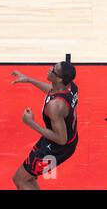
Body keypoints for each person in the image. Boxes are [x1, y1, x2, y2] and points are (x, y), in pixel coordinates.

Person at [11, 61, 78, 190]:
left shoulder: (55, 106)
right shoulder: (70, 86)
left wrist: (31, 123)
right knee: (28, 178)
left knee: (20, 180)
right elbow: (52, 90)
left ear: (59, 78)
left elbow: (61, 139)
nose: (49, 68)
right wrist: (29, 80)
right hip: (61, 138)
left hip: (56, 148)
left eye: (53, 69)